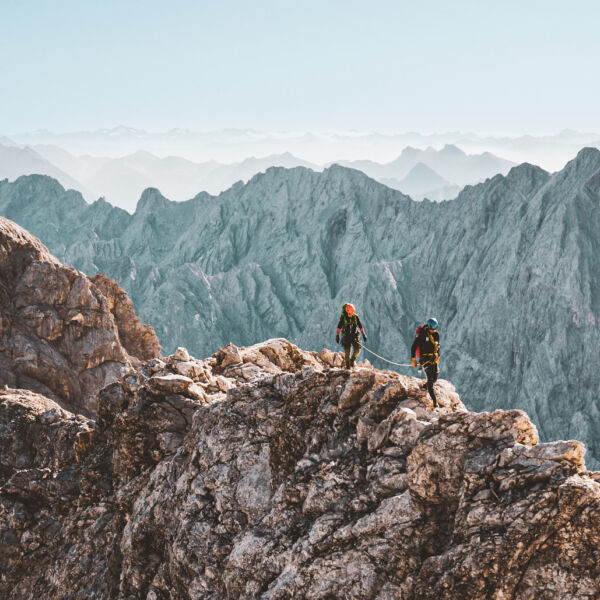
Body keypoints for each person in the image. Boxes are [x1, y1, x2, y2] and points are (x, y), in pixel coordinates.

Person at [411, 317, 440, 407]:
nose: (433, 331)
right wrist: (413, 359)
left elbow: (438, 346)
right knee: (430, 379)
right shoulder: (422, 334)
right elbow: (414, 346)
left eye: (434, 329)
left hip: (433, 358)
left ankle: (425, 387)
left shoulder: (436, 335)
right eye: (431, 329)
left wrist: (438, 355)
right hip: (424, 359)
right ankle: (435, 402)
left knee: (435, 377)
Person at [336, 303, 367, 369]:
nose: (348, 311)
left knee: (357, 350)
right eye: (347, 310)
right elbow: (339, 326)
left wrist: (363, 334)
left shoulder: (356, 317)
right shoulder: (343, 318)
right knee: (347, 352)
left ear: (353, 310)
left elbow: (360, 326)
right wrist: (337, 335)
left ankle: (352, 360)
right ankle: (348, 366)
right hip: (346, 337)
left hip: (354, 336)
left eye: (349, 309)